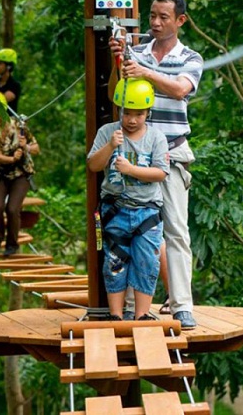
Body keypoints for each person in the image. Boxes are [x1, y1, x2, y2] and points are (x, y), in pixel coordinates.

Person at [109, 0, 204, 329]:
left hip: (172, 154)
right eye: (152, 16)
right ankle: (134, 306)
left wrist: (145, 71)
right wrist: (119, 62)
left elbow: (180, 89)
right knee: (131, 228)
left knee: (176, 231)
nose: (156, 22)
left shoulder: (191, 58)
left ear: (180, 20)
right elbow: (116, 94)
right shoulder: (138, 51)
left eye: (164, 17)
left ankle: (181, 306)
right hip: (135, 157)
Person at [87, 78, 169, 321]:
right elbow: (93, 165)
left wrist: (131, 170)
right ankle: (116, 315)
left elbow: (161, 173)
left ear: (147, 113)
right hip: (116, 209)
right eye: (128, 114)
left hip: (147, 211)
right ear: (121, 111)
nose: (132, 120)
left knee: (146, 261)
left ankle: (142, 314)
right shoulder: (108, 133)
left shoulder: (156, 138)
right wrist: (111, 145)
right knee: (115, 262)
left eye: (139, 114)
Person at [0, 97, 40, 256]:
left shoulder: (19, 127)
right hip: (0, 174)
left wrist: (26, 147)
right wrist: (12, 158)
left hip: (20, 174)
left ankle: (12, 244)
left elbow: (37, 148)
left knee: (12, 209)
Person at [0, 48, 21, 114]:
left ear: (8, 67)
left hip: (9, 122)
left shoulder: (14, 85)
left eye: (0, 63)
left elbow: (2, 101)